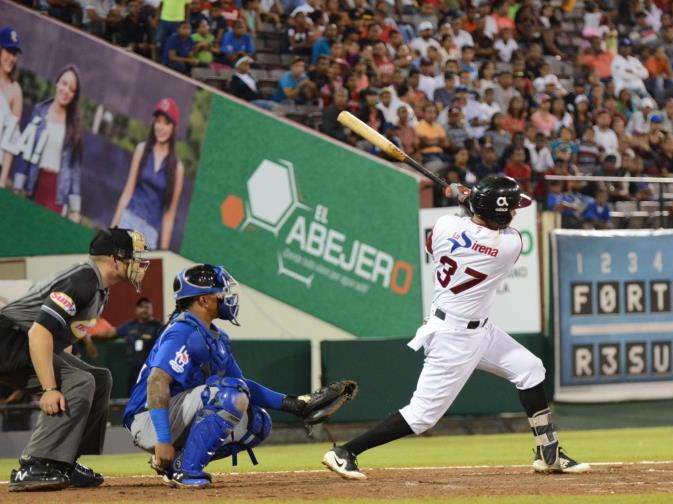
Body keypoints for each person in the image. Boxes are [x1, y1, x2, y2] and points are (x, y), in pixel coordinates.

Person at [322, 176, 589, 480]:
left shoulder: (445, 225)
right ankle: (345, 451)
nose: (515, 213)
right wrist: (465, 196)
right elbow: (487, 225)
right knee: (422, 415)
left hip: (477, 329)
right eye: (511, 209)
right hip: (455, 338)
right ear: (499, 213)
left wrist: (465, 199)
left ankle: (548, 452)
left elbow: (447, 237)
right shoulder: (510, 244)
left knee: (530, 368)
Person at [123, 264, 357, 488]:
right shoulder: (181, 330)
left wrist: (293, 404)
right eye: (220, 292)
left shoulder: (216, 337)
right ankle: (187, 470)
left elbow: (242, 386)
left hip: (177, 411)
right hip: (149, 419)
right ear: (203, 299)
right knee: (230, 396)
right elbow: (157, 381)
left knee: (258, 422)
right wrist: (163, 439)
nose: (226, 297)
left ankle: (177, 464)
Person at [0, 228, 150, 492]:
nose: (139, 264)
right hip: (9, 339)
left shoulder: (99, 289)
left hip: (22, 341)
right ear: (115, 260)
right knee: (80, 382)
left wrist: (61, 375)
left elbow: (63, 339)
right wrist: (50, 388)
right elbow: (40, 331)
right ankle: (35, 464)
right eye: (133, 257)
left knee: (99, 378)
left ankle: (64, 461)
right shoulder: (83, 280)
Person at [12, 65, 83, 222]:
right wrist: (17, 187)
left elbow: (75, 170)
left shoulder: (74, 125)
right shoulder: (39, 111)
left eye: (71, 89)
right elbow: (25, 152)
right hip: (35, 184)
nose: (66, 91)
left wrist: (75, 209)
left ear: (74, 95)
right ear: (57, 83)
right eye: (64, 84)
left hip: (56, 192)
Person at [111, 99, 184, 250]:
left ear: (174, 127)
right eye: (158, 121)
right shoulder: (141, 150)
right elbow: (127, 192)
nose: (161, 127)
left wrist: (164, 253)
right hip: (128, 220)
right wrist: (112, 229)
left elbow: (169, 215)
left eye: (166, 123)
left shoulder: (177, 169)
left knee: (134, 273)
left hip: (149, 233)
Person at [115, 298, 163, 394]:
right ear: (136, 310)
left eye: (147, 307)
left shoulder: (159, 326)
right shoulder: (130, 325)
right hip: (134, 370)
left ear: (152, 309)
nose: (144, 310)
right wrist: (89, 337)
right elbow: (111, 333)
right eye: (141, 307)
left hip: (152, 369)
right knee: (132, 395)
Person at [0, 26, 23, 189]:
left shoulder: (16, 91)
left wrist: (2, 179)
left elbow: (10, 141)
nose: (11, 58)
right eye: (8, 51)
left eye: (14, 54)